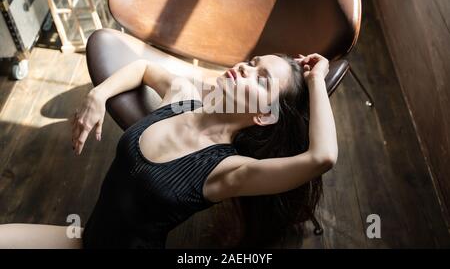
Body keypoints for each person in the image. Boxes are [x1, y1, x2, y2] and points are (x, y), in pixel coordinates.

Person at [0, 53, 337, 248]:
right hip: (87, 240)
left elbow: (321, 157)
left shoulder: (230, 170)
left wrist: (316, 79)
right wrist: (98, 96)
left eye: (262, 80)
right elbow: (143, 68)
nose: (246, 69)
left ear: (264, 115)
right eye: (252, 62)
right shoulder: (181, 98)